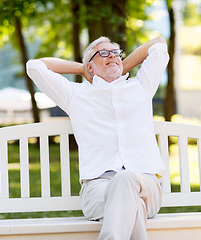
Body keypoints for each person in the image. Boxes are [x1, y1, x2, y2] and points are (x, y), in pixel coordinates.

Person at [26, 35, 169, 240]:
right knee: (132, 203)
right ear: (90, 67)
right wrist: (82, 68)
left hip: (145, 184)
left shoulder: (142, 86)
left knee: (127, 179)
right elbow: (35, 67)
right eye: (103, 53)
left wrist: (120, 65)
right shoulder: (76, 95)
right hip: (98, 187)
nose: (111, 56)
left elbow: (159, 44)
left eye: (116, 53)